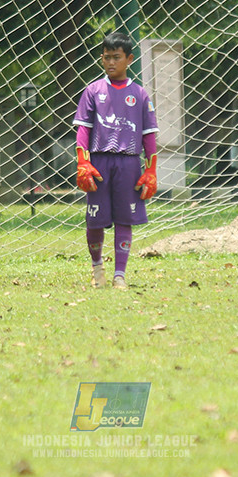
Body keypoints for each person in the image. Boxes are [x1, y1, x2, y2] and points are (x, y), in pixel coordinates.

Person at [72, 31, 158, 289]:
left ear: (129, 59)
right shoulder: (92, 91)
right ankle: (97, 268)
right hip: (98, 163)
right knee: (95, 219)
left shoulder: (139, 94)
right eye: (107, 57)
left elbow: (149, 135)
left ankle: (119, 274)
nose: (111, 62)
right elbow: (83, 129)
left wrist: (151, 170)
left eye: (116, 57)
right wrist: (83, 162)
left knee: (124, 219)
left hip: (128, 163)